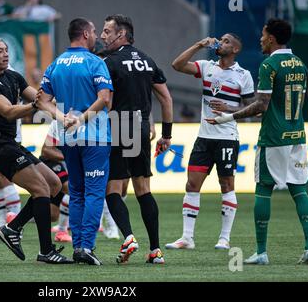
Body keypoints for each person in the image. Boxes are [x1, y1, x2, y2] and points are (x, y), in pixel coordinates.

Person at [207, 18, 308, 264]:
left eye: (264, 35)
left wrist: (227, 117)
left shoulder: (269, 64)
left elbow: (261, 106)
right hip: (297, 134)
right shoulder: (300, 63)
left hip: (274, 137)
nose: (260, 39)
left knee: (263, 189)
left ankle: (262, 252)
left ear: (273, 38)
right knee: (299, 189)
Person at [0, 37, 71, 264]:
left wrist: (63, 115)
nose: (5, 54)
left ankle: (13, 228)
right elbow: (8, 111)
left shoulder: (13, 76)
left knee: (54, 184)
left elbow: (40, 99)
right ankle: (46, 251)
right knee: (40, 189)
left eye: (6, 50)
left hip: (11, 143)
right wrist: (35, 104)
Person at [165, 33, 255, 251]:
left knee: (226, 185)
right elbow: (176, 65)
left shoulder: (243, 75)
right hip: (204, 138)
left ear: (234, 50)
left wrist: (229, 109)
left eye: (226, 42)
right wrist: (198, 44)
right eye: (221, 40)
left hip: (227, 138)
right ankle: (187, 238)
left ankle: (224, 238)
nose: (220, 43)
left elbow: (254, 108)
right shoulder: (207, 67)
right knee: (192, 184)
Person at [37, 18, 114, 265]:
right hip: (95, 136)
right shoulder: (96, 62)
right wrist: (81, 119)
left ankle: (79, 245)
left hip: (68, 137)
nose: (96, 36)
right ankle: (85, 247)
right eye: (93, 32)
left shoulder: (55, 64)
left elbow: (42, 100)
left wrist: (63, 119)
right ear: (84, 33)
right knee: (94, 193)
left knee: (78, 192)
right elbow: (104, 98)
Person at [99, 14, 172, 264]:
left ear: (121, 34)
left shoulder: (108, 61)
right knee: (143, 190)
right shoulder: (147, 60)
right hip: (141, 127)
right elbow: (166, 98)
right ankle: (155, 250)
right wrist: (166, 135)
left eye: (107, 31)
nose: (102, 35)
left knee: (113, 190)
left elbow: (105, 100)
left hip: (119, 126)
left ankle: (128, 236)